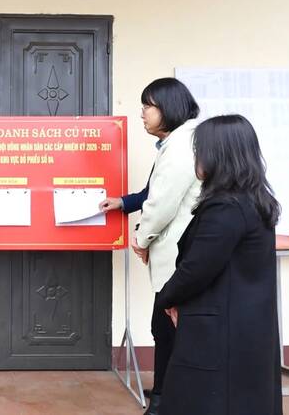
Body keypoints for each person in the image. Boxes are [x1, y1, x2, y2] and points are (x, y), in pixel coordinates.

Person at [157, 114, 282, 415]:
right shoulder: (252, 200)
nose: (196, 157)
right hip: (242, 330)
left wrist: (166, 297)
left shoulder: (227, 207)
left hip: (220, 335)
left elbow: (196, 269)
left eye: (199, 149)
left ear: (218, 155)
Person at [100, 77, 201, 415]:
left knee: (168, 328)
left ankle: (164, 402)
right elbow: (151, 193)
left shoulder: (181, 148)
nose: (142, 113)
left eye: (148, 106)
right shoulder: (175, 144)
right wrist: (123, 203)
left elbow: (162, 205)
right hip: (174, 255)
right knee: (164, 327)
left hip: (177, 255)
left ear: (168, 109)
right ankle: (164, 391)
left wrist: (141, 239)